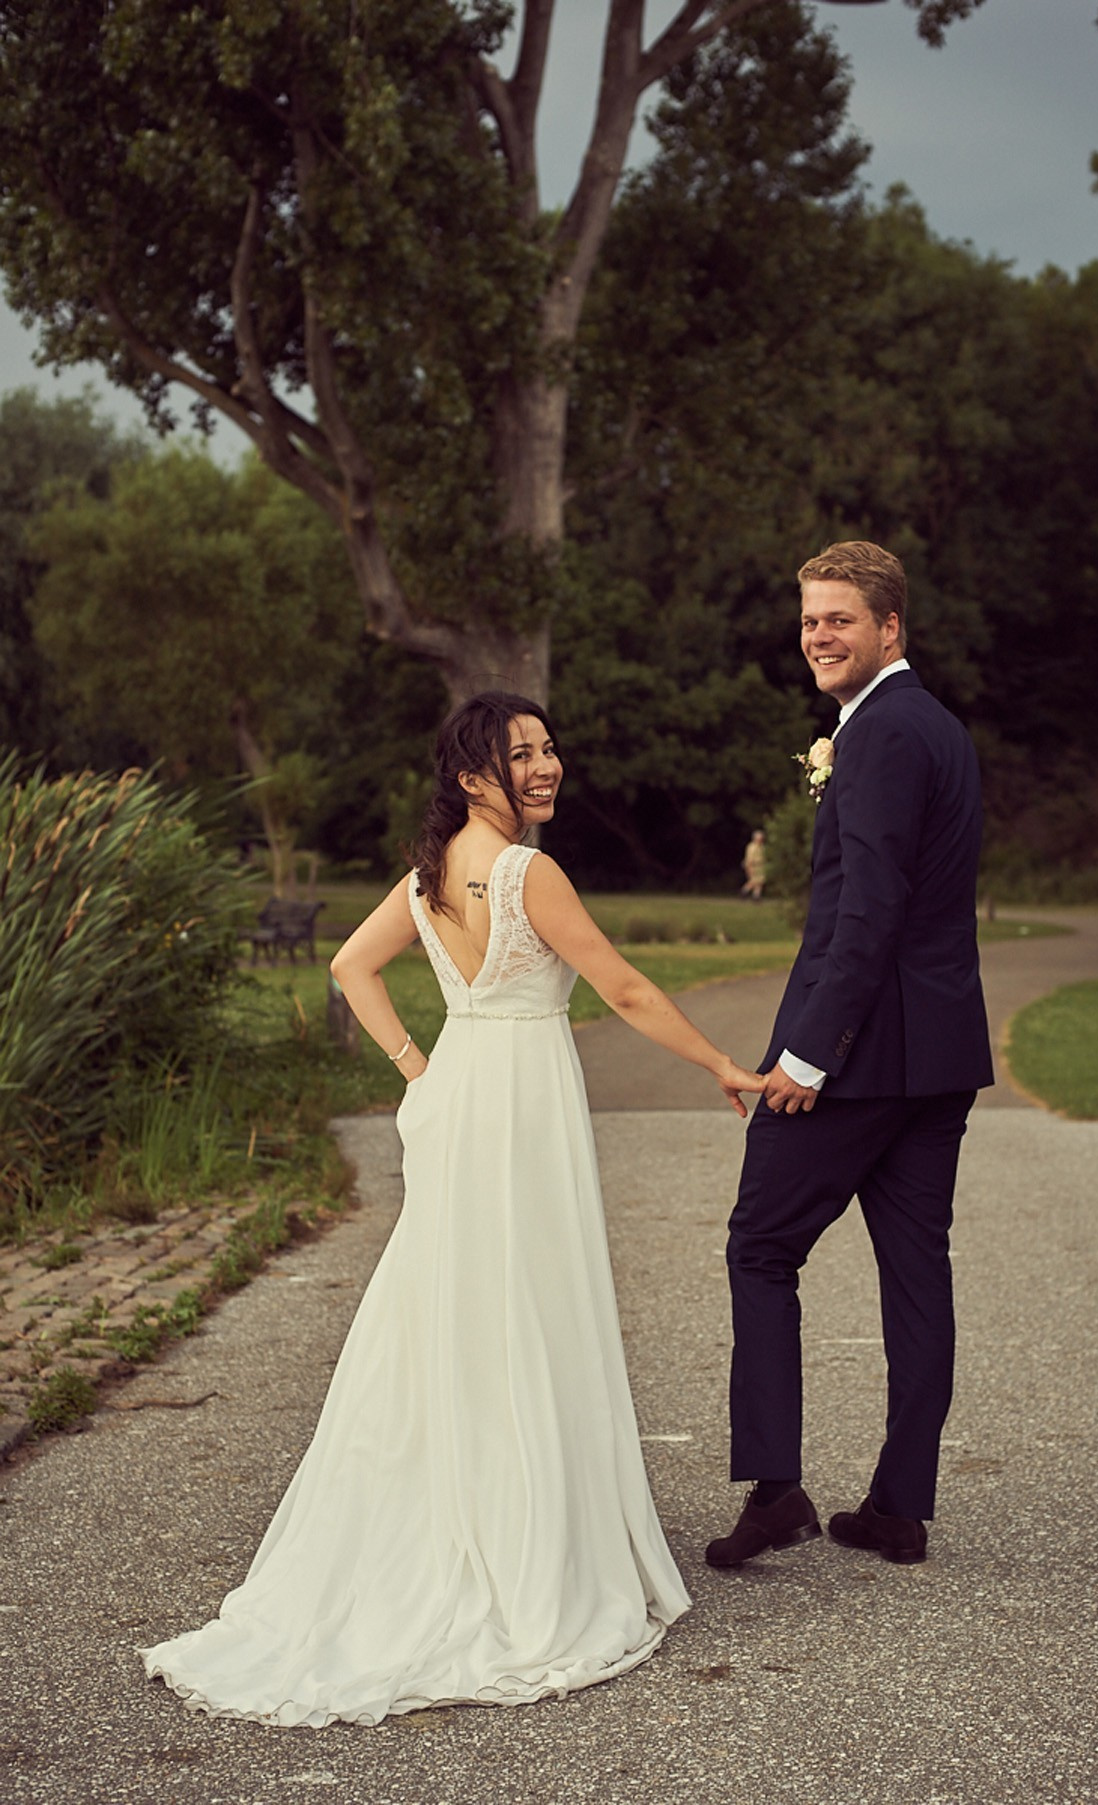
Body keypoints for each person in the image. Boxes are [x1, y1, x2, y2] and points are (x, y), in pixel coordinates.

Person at [141, 691, 763, 1726]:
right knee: (528, 1299)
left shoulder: (432, 873)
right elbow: (622, 987)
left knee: (459, 1303)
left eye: (549, 747)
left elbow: (351, 965)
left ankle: (464, 1507)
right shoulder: (525, 872)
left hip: (461, 1089)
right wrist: (719, 1063)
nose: (547, 765)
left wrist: (417, 1067)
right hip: (521, 1099)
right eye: (522, 755)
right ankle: (524, 1539)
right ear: (474, 777)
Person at [705, 541, 993, 1572]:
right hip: (939, 1055)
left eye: (840, 619)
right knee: (917, 1273)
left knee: (760, 1246)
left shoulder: (876, 734)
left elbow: (868, 912)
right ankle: (898, 1509)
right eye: (810, 620)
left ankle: (776, 1488)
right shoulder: (939, 728)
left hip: (861, 1060)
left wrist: (810, 1058)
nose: (819, 636)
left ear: (890, 627)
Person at [741, 828, 767, 901]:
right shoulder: (752, 847)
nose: (761, 840)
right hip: (753, 866)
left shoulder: (762, 847)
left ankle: (756, 896)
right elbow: (749, 858)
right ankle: (744, 892)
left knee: (759, 882)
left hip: (761, 867)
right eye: (759, 838)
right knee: (753, 881)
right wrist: (749, 867)